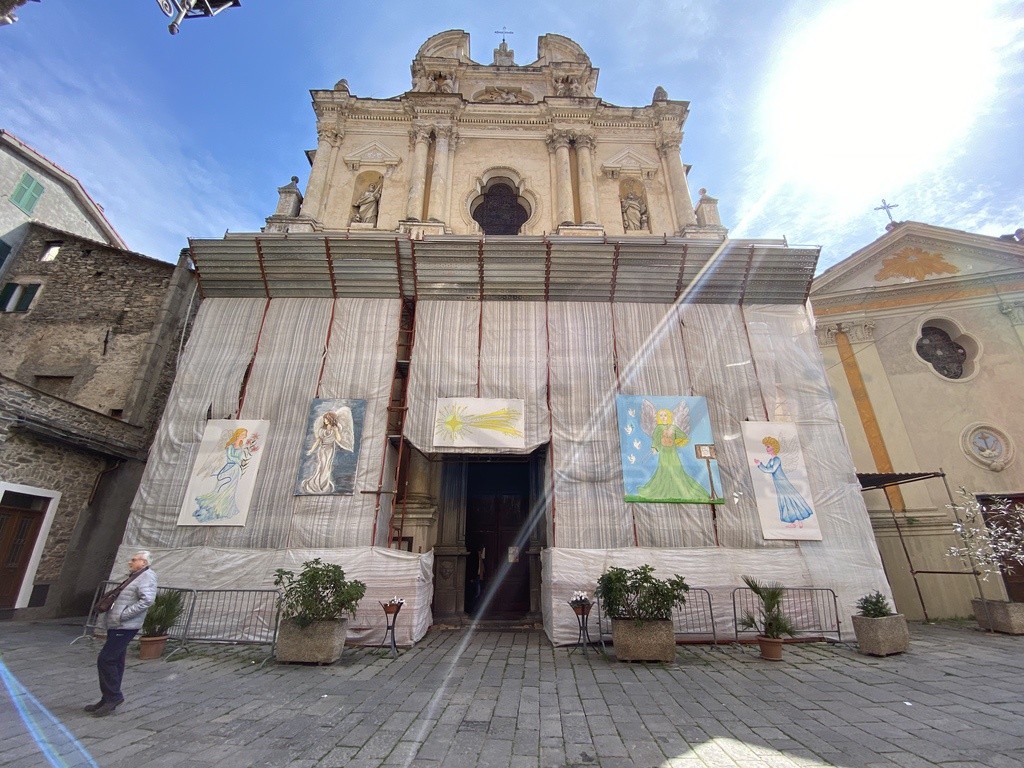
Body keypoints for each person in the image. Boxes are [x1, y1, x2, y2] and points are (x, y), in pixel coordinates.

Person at [85, 551, 157, 717]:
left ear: (144, 562)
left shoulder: (147, 576)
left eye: (134, 560)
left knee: (106, 659)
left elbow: (147, 600)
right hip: (118, 625)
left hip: (126, 625)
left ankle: (113, 697)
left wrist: (124, 615)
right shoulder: (135, 576)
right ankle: (107, 698)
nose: (130, 562)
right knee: (116, 660)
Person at [193, 427, 255, 522]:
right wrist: (237, 461)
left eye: (245, 435)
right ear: (238, 435)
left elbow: (240, 458)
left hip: (236, 470)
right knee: (222, 487)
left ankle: (225, 507)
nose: (245, 436)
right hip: (229, 467)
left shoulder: (241, 447)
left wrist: (239, 461)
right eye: (243, 434)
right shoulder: (230, 446)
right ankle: (214, 506)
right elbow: (230, 457)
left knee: (231, 489)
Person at [755, 436, 814, 527]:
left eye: (768, 446)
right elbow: (766, 469)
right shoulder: (771, 460)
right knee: (784, 500)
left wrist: (760, 464)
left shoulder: (777, 459)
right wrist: (760, 464)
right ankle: (792, 522)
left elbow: (772, 470)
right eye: (766, 447)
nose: (767, 448)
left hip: (782, 481)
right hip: (778, 483)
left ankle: (800, 520)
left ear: (774, 447)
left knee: (791, 498)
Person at [300, 408, 354, 494]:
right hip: (322, 449)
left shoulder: (335, 428)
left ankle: (323, 484)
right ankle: (316, 484)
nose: (325, 420)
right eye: (324, 419)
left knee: (327, 466)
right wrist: (311, 450)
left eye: (326, 419)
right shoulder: (321, 430)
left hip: (330, 449)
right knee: (322, 466)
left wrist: (336, 431)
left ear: (330, 419)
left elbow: (339, 439)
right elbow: (318, 441)